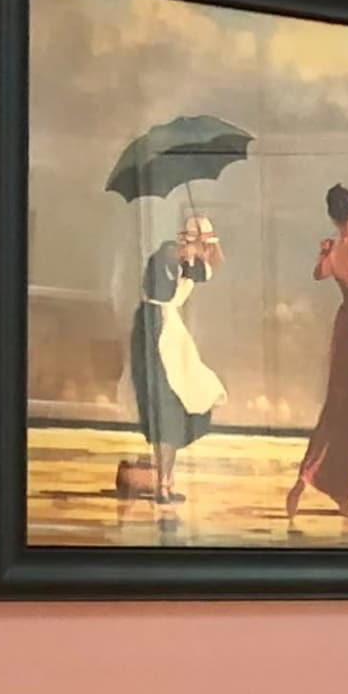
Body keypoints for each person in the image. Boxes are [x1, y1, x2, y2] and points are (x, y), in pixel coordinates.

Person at [286, 183, 348, 516]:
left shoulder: (338, 247)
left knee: (334, 407)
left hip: (344, 328)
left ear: (331, 214)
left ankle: (306, 476)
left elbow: (319, 273)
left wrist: (326, 252)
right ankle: (341, 494)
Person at [123, 213, 223, 499]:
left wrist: (208, 245)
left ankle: (166, 481)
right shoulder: (168, 254)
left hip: (172, 336)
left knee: (182, 405)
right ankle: (163, 483)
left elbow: (215, 264)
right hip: (154, 334)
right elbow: (169, 259)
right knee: (165, 406)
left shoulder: (190, 263)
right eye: (204, 246)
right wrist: (190, 245)